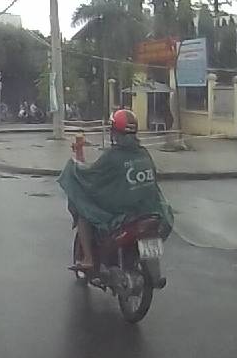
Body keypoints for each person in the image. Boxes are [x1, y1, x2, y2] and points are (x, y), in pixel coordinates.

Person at [58, 109, 173, 273]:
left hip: (122, 213)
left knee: (84, 213)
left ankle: (89, 259)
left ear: (114, 132)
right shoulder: (144, 154)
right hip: (150, 210)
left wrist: (74, 165)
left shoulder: (112, 156)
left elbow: (90, 176)